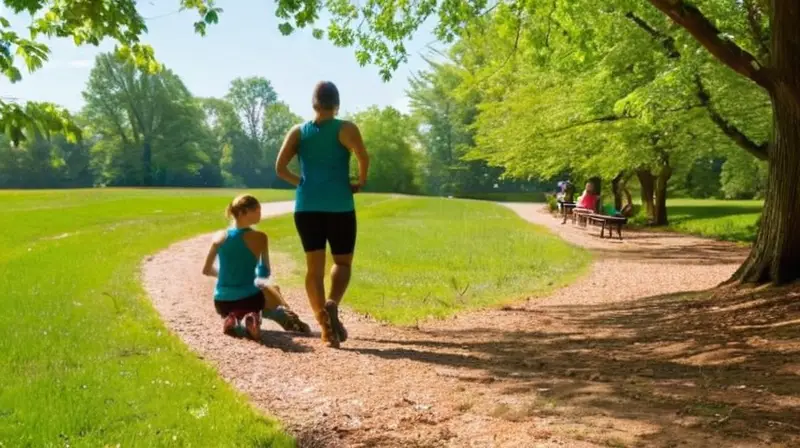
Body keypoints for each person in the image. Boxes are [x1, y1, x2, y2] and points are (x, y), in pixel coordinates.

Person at [275, 81, 370, 348]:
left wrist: (301, 183)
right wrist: (359, 182)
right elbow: (363, 156)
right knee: (342, 262)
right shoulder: (346, 129)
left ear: (313, 103)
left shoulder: (298, 132)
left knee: (313, 269)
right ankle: (332, 304)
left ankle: (326, 330)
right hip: (340, 205)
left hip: (307, 208)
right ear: (336, 103)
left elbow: (280, 167)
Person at [202, 194, 310, 340]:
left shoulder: (219, 236)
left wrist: (227, 276)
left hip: (221, 302)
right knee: (266, 289)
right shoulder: (260, 237)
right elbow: (264, 272)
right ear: (242, 213)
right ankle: (260, 318)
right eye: (257, 210)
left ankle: (233, 319)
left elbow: (206, 270)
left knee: (253, 294)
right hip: (250, 299)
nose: (260, 213)